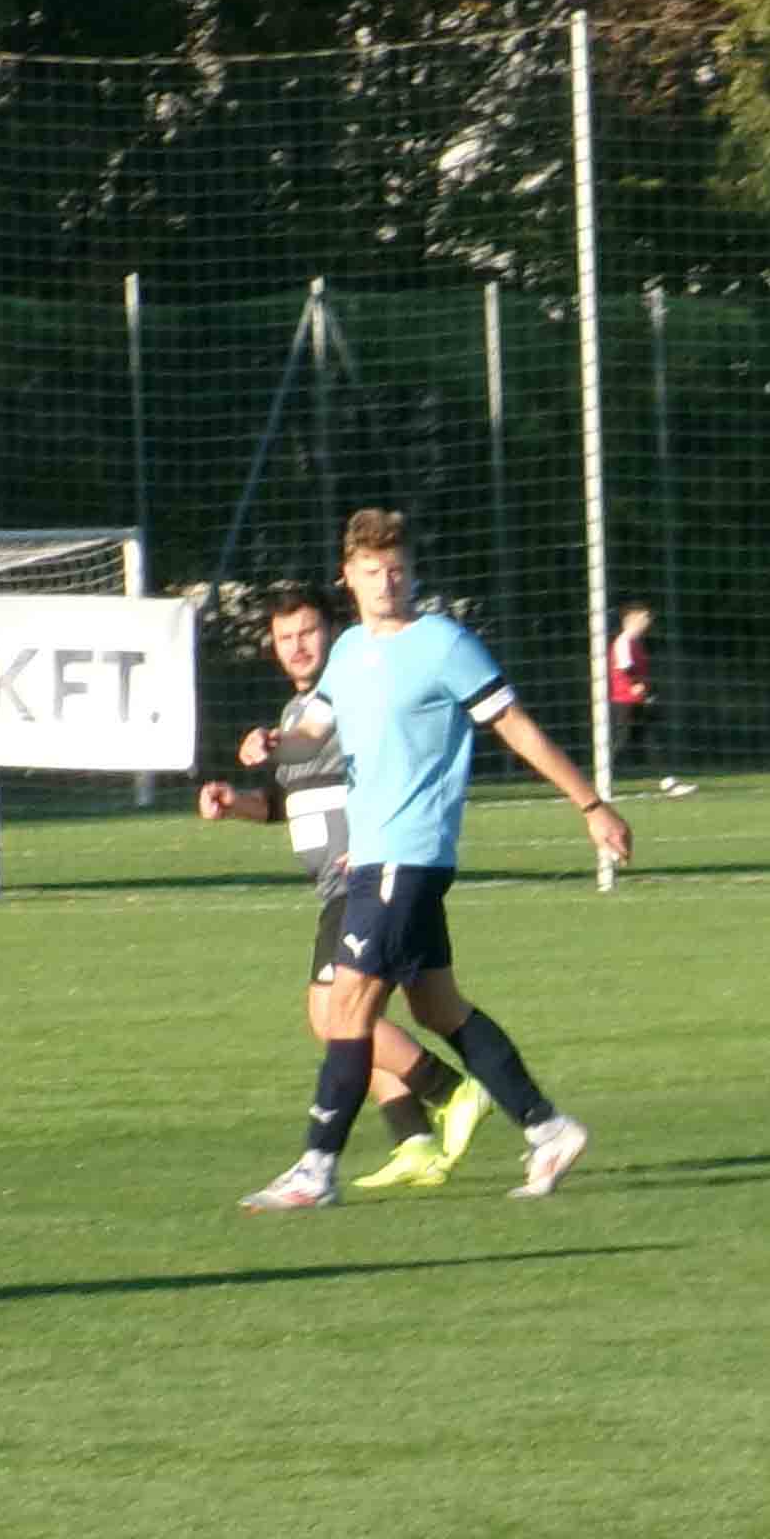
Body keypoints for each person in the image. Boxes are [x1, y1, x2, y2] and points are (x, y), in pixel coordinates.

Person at [243, 510, 637, 1211]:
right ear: (349, 576)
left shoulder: (445, 644)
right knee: (437, 1006)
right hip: (376, 859)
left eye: (397, 569)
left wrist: (590, 803)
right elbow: (311, 733)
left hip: (408, 853)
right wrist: (270, 746)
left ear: (412, 572)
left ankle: (315, 1169)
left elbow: (515, 725)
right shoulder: (348, 652)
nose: (387, 583)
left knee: (347, 1008)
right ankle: (548, 1129)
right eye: (372, 571)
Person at [199, 585, 491, 1193]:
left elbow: (392, 771)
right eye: (285, 637)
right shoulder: (296, 715)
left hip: (368, 880)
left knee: (338, 1017)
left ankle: (453, 1091)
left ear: (333, 633)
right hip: (342, 888)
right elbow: (285, 803)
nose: (297, 646)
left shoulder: (356, 696)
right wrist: (235, 804)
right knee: (359, 1020)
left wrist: (378, 838)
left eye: (308, 632)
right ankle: (415, 1139)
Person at [606, 603, 691, 796]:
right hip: (625, 701)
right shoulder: (623, 641)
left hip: (637, 699)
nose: (647, 622)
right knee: (623, 742)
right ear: (630, 620)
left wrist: (648, 694)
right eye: (643, 618)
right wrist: (637, 684)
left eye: (647, 618)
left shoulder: (636, 643)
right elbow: (625, 667)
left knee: (649, 739)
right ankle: (598, 781)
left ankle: (668, 783)